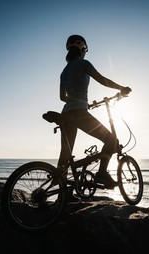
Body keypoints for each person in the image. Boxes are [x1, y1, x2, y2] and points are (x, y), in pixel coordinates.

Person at [58, 34, 131, 188]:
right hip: (79, 113)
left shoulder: (63, 72)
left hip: (66, 114)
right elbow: (102, 80)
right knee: (112, 141)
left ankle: (62, 196)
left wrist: (79, 102)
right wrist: (121, 88)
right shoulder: (83, 64)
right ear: (83, 49)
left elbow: (62, 97)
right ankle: (102, 174)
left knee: (65, 153)